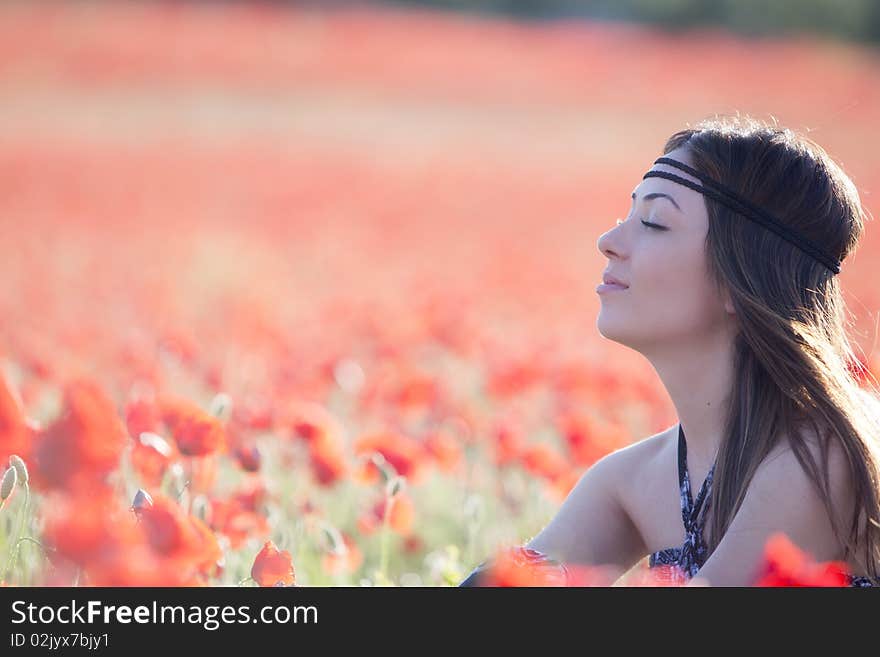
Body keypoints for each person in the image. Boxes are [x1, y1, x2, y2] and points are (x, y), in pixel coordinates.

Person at [460, 114, 880, 587]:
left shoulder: (820, 455)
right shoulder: (635, 478)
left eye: (655, 222)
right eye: (627, 216)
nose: (608, 242)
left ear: (742, 280)